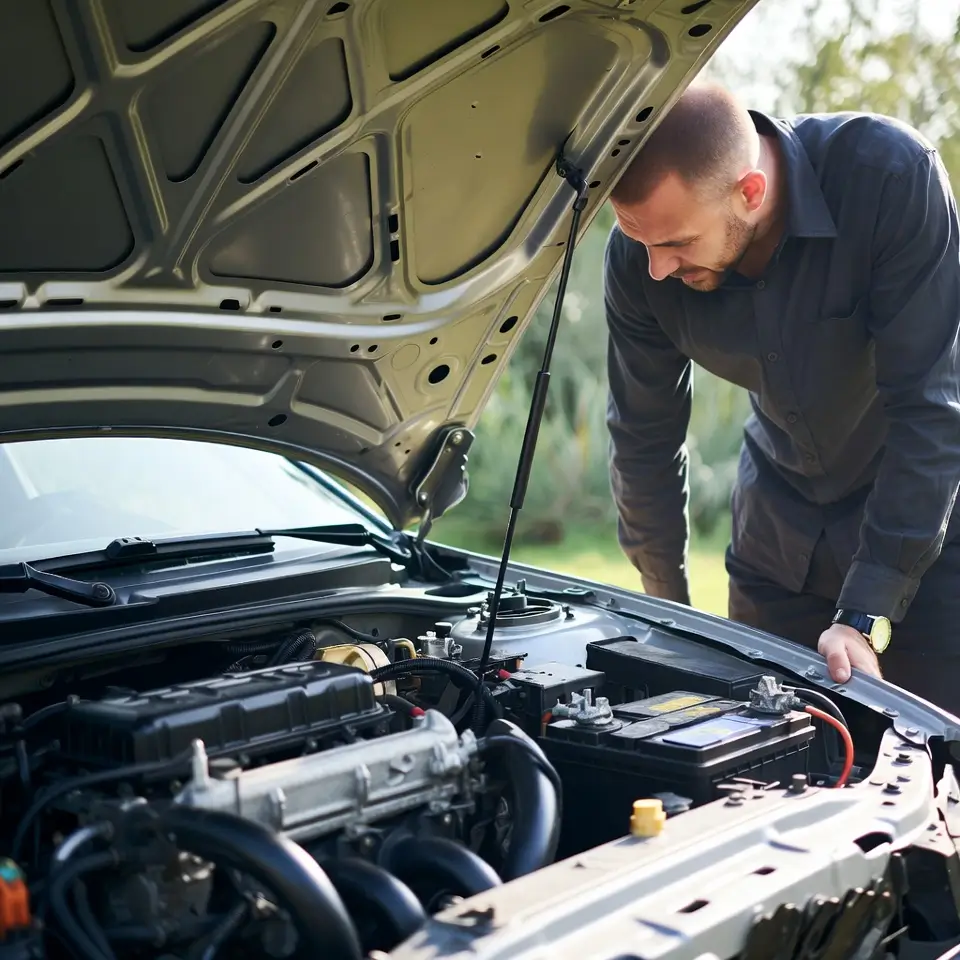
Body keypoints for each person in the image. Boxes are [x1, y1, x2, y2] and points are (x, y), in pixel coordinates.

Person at [603, 80, 960, 715]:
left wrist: (868, 613)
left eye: (676, 244)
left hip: (925, 554)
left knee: (932, 789)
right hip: (776, 548)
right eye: (641, 242)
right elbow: (643, 437)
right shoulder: (640, 261)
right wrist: (671, 610)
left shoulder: (890, 179)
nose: (656, 268)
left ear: (750, 192)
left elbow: (930, 410)